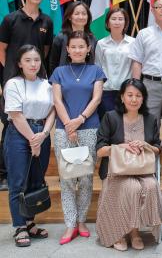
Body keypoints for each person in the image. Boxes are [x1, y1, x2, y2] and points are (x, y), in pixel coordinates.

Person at [49, 30, 106, 245]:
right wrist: (69, 125)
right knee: (67, 178)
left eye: (81, 46)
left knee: (85, 178)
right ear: (68, 50)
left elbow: (97, 98)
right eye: (73, 47)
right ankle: (70, 224)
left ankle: (82, 221)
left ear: (88, 48)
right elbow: (57, 100)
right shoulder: (59, 72)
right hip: (64, 130)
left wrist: (79, 120)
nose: (78, 50)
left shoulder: (96, 71)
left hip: (89, 128)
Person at [0, 0, 54, 191]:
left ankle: (34, 176)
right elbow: (1, 48)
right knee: (10, 125)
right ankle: (4, 174)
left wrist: (33, 69)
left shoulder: (47, 22)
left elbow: (45, 51)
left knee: (37, 121)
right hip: (14, 80)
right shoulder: (10, 19)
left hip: (36, 79)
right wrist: (10, 73)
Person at [95, 78, 162, 251]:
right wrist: (120, 147)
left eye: (138, 95)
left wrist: (146, 145)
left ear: (143, 98)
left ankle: (134, 232)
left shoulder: (150, 119)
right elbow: (100, 150)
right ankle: (118, 232)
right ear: (122, 97)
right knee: (131, 188)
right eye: (130, 95)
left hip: (143, 170)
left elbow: (157, 148)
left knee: (151, 185)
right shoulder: (111, 117)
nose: (134, 99)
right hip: (116, 171)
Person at [3, 45, 55, 247]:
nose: (33, 64)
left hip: (41, 133)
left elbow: (53, 111)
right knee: (18, 182)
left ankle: (30, 222)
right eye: (28, 60)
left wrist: (42, 135)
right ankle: (19, 226)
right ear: (19, 63)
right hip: (18, 134)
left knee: (35, 180)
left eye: (36, 60)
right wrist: (33, 139)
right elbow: (15, 114)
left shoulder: (47, 84)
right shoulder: (13, 84)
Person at [94, 8, 134, 117]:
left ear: (125, 23)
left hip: (127, 91)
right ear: (108, 22)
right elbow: (97, 67)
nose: (117, 22)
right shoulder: (101, 43)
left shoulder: (133, 42)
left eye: (121, 19)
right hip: (106, 91)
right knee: (107, 125)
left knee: (126, 124)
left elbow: (136, 66)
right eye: (114, 19)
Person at [49, 1, 97, 72]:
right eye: (76, 14)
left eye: (84, 14)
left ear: (88, 17)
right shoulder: (61, 37)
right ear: (69, 17)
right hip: (64, 80)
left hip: (87, 79)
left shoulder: (92, 38)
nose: (81, 17)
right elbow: (53, 63)